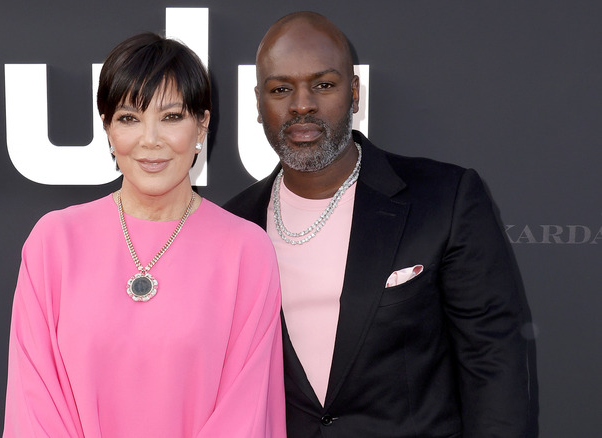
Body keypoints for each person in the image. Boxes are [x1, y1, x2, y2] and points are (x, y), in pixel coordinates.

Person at [224, 11, 537, 437]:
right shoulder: (234, 225)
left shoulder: (444, 198)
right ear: (259, 104)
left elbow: (493, 360)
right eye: (281, 89)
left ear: (354, 94)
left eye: (323, 84)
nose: (302, 105)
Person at [3, 32, 286, 438]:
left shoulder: (245, 250)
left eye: (171, 117)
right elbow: (34, 405)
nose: (150, 141)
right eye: (129, 118)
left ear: (202, 124)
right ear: (107, 127)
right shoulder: (54, 243)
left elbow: (246, 412)